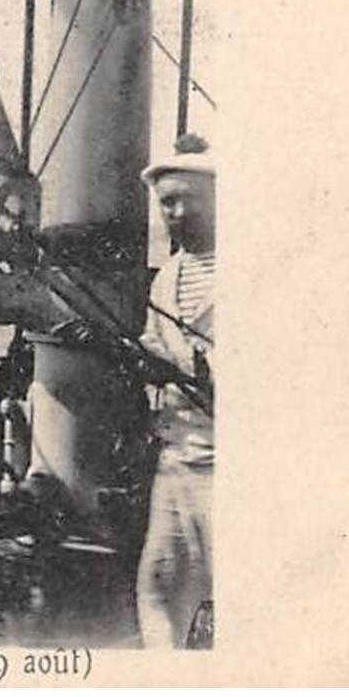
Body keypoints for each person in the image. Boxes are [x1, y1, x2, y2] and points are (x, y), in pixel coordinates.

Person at [135, 134, 216, 648]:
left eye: (188, 199)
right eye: (167, 203)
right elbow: (153, 343)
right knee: (159, 589)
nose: (176, 213)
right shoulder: (167, 277)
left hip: (229, 469)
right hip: (176, 463)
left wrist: (191, 366)